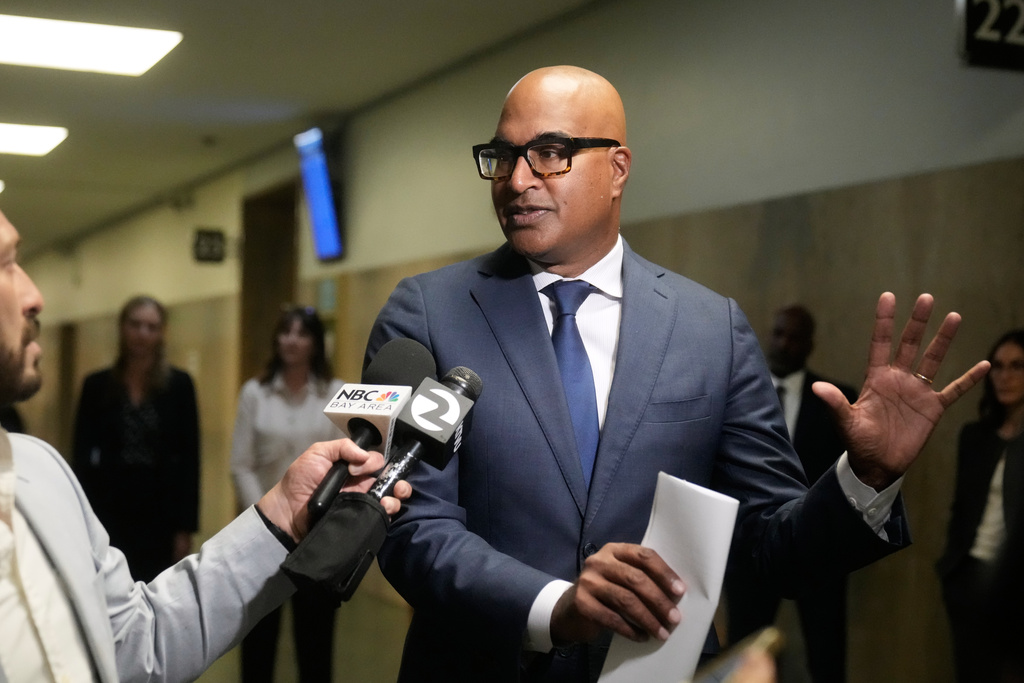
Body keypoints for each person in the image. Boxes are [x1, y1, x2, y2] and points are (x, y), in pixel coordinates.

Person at [367, 65, 989, 682]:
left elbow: (772, 546)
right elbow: (410, 524)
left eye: (550, 153)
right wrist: (557, 606)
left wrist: (866, 477)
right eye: (503, 156)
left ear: (617, 170)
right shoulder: (427, 313)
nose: (517, 179)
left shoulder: (710, 328)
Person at [0, 206, 411, 682]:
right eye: (7, 265)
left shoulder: (41, 472)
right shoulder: (251, 392)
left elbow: (137, 644)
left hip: (198, 518)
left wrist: (283, 514)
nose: (35, 295)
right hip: (120, 510)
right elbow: (237, 459)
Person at [724, 304, 859, 682]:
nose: (784, 344)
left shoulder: (836, 400)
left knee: (827, 656)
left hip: (819, 549)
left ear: (809, 344)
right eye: (778, 333)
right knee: (744, 655)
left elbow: (848, 479)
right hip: (750, 544)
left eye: (795, 336)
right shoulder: (739, 394)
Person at [231, 306, 344, 683]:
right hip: (261, 533)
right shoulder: (255, 393)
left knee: (315, 646)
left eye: (301, 333)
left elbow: (345, 461)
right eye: (284, 332)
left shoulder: (337, 393)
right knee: (258, 644)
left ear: (315, 343)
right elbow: (241, 464)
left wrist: (313, 518)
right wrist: (266, 517)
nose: (290, 340)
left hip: (318, 535)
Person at [72, 295, 200, 582]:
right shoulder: (97, 386)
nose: (143, 334)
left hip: (159, 509)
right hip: (110, 506)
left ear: (161, 333)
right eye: (135, 325)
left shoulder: (179, 386)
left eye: (151, 327)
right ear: (122, 328)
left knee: (153, 587)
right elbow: (82, 457)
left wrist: (185, 528)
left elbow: (190, 460)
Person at [937, 329, 1024, 683]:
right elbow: (962, 509)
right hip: (969, 576)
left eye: (1017, 366)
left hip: (1015, 581)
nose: (1005, 376)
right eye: (998, 367)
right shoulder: (975, 436)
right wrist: (951, 572)